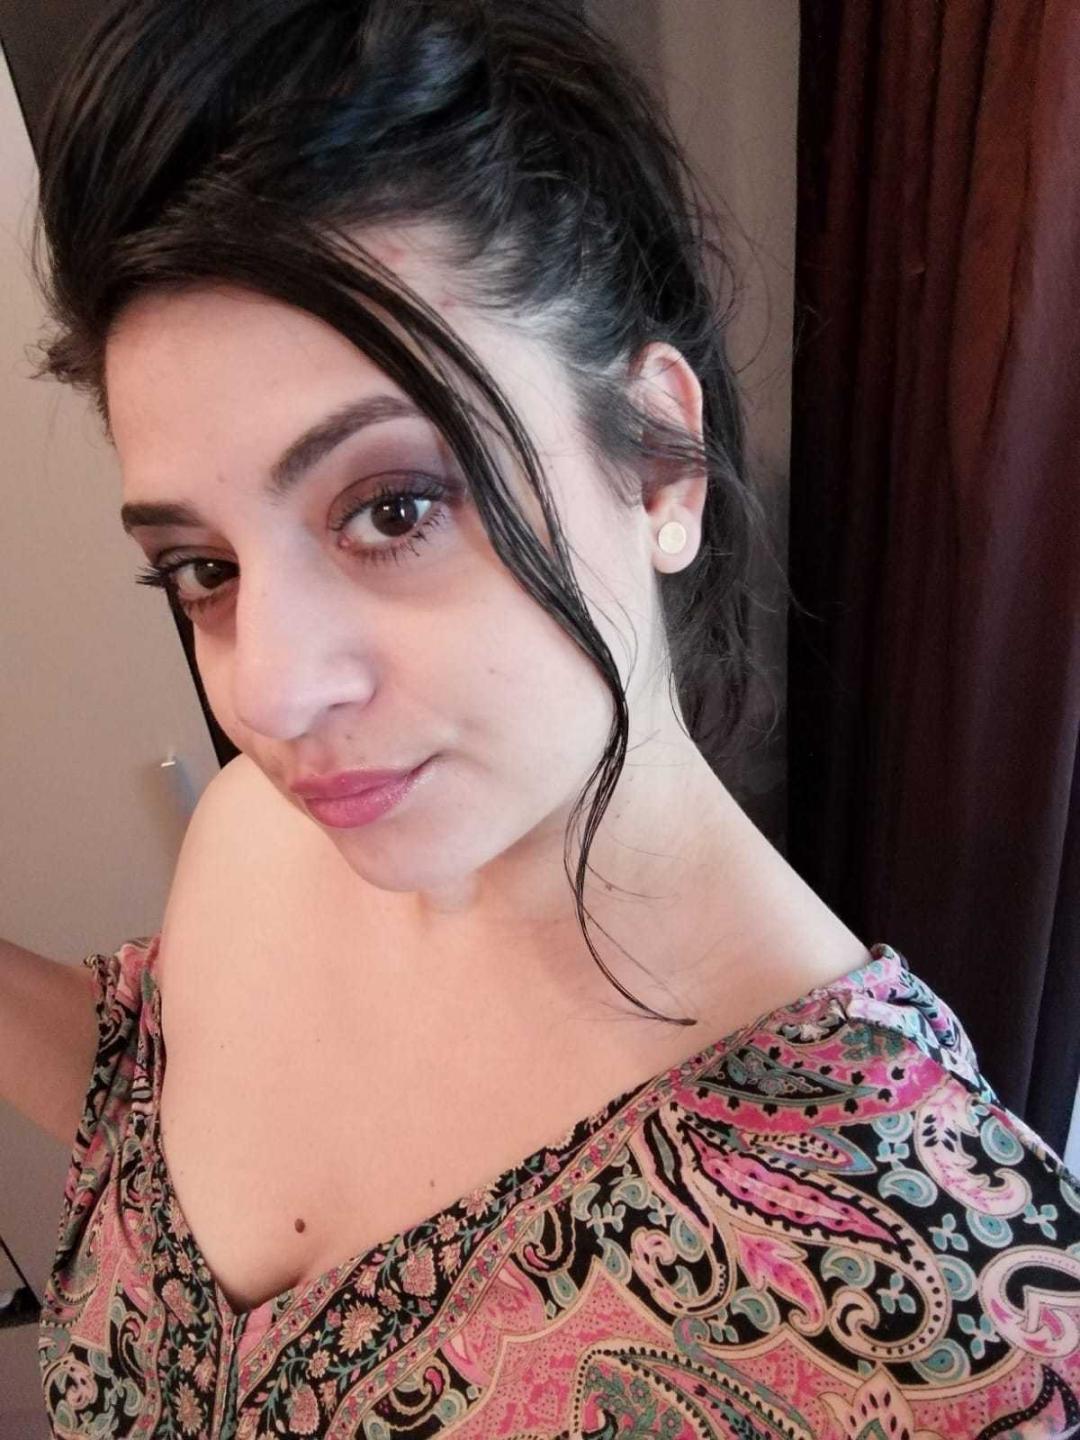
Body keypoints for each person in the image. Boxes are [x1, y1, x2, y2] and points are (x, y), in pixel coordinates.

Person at [6, 0, 1077, 1434]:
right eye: (204, 569)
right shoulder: (266, 833)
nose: (265, 691)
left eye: (394, 509)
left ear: (661, 463)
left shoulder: (938, 1326)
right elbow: (149, 1119)